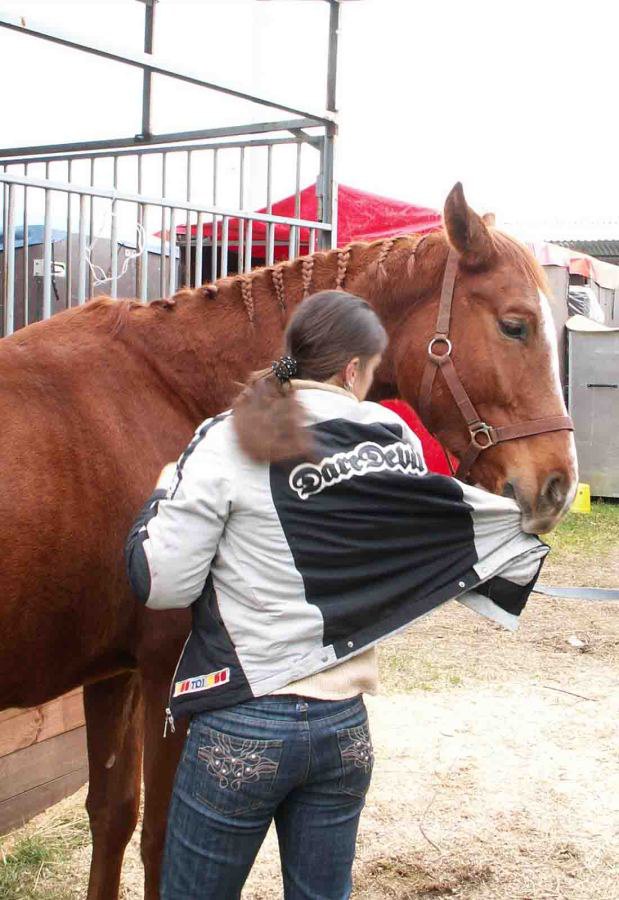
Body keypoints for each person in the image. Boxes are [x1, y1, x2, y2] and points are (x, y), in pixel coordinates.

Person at [125, 290, 548, 899]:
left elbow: (162, 583)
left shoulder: (229, 436)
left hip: (243, 719)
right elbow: (424, 535)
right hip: (343, 728)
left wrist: (167, 487)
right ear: (352, 369)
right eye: (372, 371)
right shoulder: (393, 437)